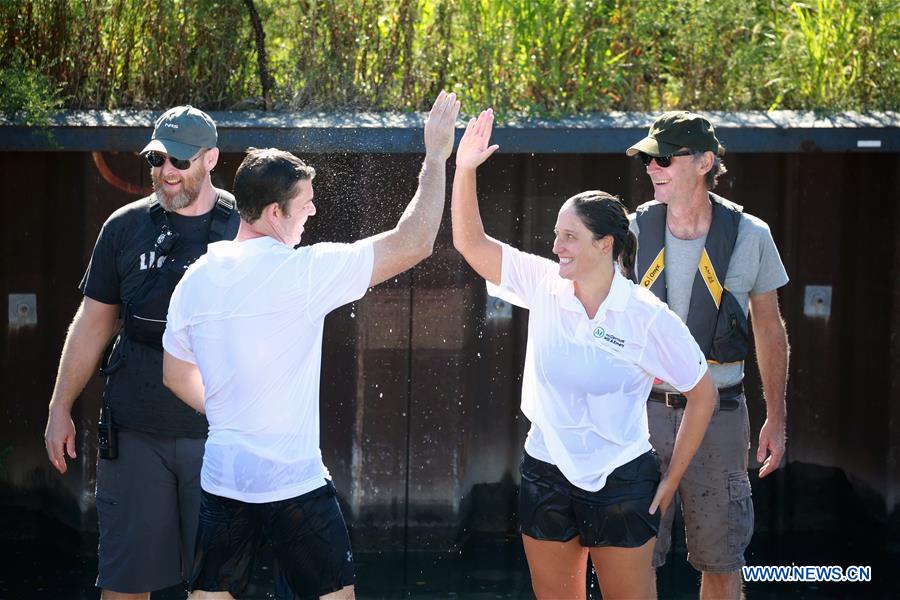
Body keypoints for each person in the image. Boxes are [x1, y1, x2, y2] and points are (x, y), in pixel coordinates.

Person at [160, 91, 460, 599]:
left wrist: (231, 413)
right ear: (275, 212)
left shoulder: (196, 277)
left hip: (224, 479)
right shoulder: (301, 273)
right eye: (305, 203)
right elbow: (415, 241)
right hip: (292, 485)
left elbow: (173, 374)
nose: (314, 210)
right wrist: (435, 156)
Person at [451, 108, 717, 599]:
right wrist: (464, 169)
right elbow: (470, 243)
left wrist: (672, 478)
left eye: (569, 237)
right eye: (556, 235)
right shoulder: (543, 285)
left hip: (622, 478)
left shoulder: (646, 316)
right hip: (546, 471)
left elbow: (702, 395)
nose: (556, 247)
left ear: (605, 245)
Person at [43, 106, 240, 598]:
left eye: (179, 160)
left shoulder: (246, 229)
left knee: (215, 590)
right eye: (157, 159)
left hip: (219, 438)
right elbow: (93, 322)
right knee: (125, 588)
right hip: (135, 434)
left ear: (211, 158)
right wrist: (59, 407)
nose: (166, 171)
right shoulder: (124, 228)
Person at [626, 111, 790, 599]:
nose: (652, 168)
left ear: (704, 163)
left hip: (720, 417)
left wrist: (776, 418)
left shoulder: (752, 235)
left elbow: (769, 328)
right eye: (648, 160)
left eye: (663, 158)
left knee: (721, 563)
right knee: (632, 557)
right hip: (640, 418)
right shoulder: (630, 230)